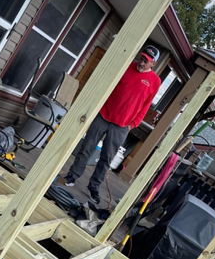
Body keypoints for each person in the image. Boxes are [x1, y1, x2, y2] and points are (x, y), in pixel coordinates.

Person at [65, 45, 161, 204]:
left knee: (106, 158)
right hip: (104, 115)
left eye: (146, 61)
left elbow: (146, 104)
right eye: (142, 58)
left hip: (122, 126)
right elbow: (108, 86)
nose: (142, 62)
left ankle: (93, 187)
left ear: (153, 64)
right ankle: (72, 175)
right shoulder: (127, 66)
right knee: (86, 148)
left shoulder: (155, 81)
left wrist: (133, 124)